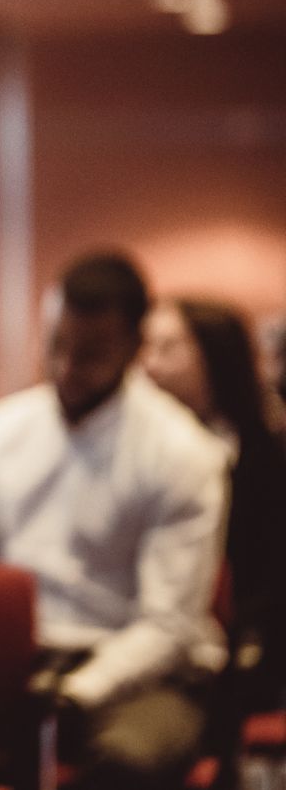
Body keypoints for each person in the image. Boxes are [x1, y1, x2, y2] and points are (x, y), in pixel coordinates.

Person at [0, 252, 228, 790]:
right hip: (16, 663)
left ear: (134, 348)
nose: (67, 367)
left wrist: (73, 693)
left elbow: (168, 626)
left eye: (91, 354)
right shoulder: (2, 430)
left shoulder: (181, 452)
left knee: (130, 760)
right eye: (56, 347)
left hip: (139, 678)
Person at [140, 297, 286, 700]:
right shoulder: (135, 452)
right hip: (144, 640)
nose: (148, 364)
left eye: (167, 348)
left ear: (215, 355)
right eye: (145, 348)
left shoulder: (265, 454)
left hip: (238, 650)